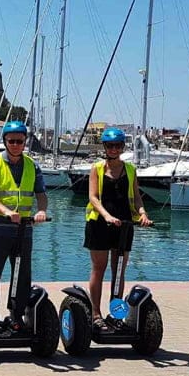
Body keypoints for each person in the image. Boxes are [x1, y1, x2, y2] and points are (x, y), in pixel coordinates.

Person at [0, 119, 48, 333]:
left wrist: (42, 210)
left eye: (20, 141)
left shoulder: (32, 166)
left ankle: (16, 315)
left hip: (24, 230)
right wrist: (7, 211)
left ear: (25, 141)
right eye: (12, 141)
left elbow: (41, 194)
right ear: (5, 141)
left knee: (22, 276)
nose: (16, 144)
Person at [84, 128, 153, 327]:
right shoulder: (97, 168)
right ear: (104, 147)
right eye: (110, 146)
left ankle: (115, 315)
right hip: (99, 223)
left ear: (123, 147)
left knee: (119, 270)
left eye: (118, 146)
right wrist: (106, 216)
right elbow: (93, 197)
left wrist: (143, 214)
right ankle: (96, 315)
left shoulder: (130, 169)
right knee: (99, 268)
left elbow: (137, 196)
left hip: (124, 224)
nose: (114, 149)